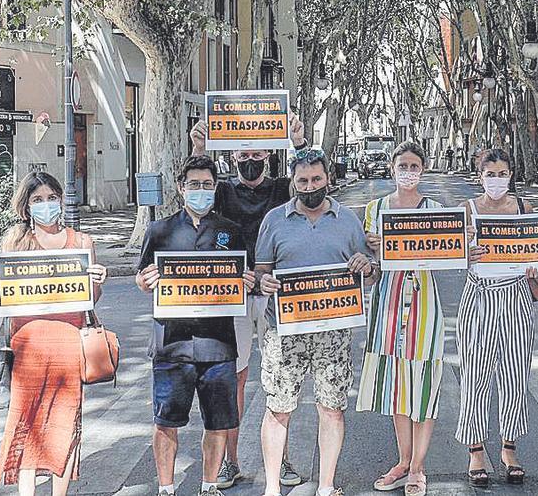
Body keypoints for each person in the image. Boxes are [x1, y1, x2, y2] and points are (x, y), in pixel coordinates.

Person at [190, 113, 309, 488]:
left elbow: (310, 184)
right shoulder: (222, 192)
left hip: (276, 295)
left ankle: (283, 460)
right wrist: (198, 148)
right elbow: (196, 191)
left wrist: (299, 143)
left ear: (269, 156)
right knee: (234, 380)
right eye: (243, 155)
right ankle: (231, 461)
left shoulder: (281, 189)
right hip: (234, 297)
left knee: (282, 380)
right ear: (232, 158)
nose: (250, 161)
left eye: (256, 154)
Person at [253, 148, 374, 496]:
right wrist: (264, 282)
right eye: (303, 181)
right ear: (293, 182)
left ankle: (326, 485)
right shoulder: (274, 220)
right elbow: (262, 270)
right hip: (283, 332)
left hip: (333, 332)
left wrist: (366, 267)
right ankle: (272, 488)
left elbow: (371, 269)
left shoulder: (349, 219)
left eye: (316, 179)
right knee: (278, 409)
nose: (310, 186)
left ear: (328, 179)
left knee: (332, 409)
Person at [0, 172, 108, 496]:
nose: (46, 205)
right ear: (26, 207)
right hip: (28, 348)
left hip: (68, 345)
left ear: (61, 200)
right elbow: (5, 300)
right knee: (27, 423)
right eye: (38, 200)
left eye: (52, 198)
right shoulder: (15, 242)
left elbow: (90, 299)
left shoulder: (81, 242)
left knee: (65, 424)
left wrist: (98, 280)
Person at [135, 155, 255, 496]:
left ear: (215, 188)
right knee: (165, 421)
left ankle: (209, 485)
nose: (200, 190)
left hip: (217, 345)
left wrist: (248, 282)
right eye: (193, 185)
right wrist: (144, 283)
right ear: (180, 188)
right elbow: (141, 277)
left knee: (218, 423)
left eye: (206, 184)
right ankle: (166, 488)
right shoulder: (159, 231)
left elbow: (244, 279)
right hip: (171, 344)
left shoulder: (230, 232)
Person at [360, 141, 452, 496]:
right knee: (398, 387)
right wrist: (371, 252)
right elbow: (370, 266)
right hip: (388, 304)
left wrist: (463, 241)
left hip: (425, 305)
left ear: (423, 169)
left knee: (424, 384)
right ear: (392, 167)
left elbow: (449, 255)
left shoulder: (436, 210)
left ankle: (417, 468)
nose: (409, 171)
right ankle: (402, 459)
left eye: (415, 165)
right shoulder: (374, 210)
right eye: (403, 165)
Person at [456, 148, 538, 487]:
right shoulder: (467, 210)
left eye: (502, 173)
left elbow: (537, 254)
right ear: (479, 176)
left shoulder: (524, 209)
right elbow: (449, 256)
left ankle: (509, 447)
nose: (496, 179)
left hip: (517, 296)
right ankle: (476, 450)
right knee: (475, 374)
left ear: (511, 175)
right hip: (478, 296)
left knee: (515, 374)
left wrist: (537, 267)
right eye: (489, 173)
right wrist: (464, 251)